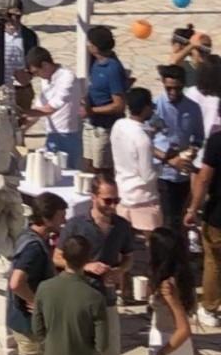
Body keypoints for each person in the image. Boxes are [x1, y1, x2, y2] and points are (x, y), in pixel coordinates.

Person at [56, 173, 148, 355]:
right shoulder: (75, 225)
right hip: (77, 299)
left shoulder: (121, 226)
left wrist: (121, 271)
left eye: (116, 200)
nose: (112, 205)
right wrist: (85, 266)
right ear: (93, 197)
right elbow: (58, 256)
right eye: (107, 200)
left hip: (106, 299)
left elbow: (129, 256)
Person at [8, 192, 70, 355]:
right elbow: (16, 283)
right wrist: (34, 301)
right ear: (48, 217)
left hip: (23, 321)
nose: (64, 220)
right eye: (61, 215)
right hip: (28, 324)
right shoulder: (34, 247)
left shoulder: (28, 236)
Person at [184, 54, 221, 327]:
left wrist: (192, 209)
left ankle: (209, 307)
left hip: (218, 212)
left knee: (213, 260)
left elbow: (205, 179)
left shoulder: (217, 142)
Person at [154, 64, 205, 230]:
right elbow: (147, 142)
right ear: (163, 83)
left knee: (180, 219)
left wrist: (193, 151)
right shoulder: (156, 106)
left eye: (177, 88)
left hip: (183, 174)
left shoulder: (193, 108)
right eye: (169, 88)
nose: (173, 92)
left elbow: (199, 136)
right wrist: (169, 160)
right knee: (167, 221)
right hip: (161, 174)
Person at [111, 87, 164, 232]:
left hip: (123, 195)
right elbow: (147, 176)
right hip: (143, 200)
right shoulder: (142, 140)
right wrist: (162, 168)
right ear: (146, 108)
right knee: (150, 248)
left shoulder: (118, 126)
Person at [82, 26, 128, 173]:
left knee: (101, 169)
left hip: (105, 128)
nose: (87, 45)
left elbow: (119, 105)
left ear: (96, 46)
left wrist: (91, 110)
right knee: (88, 164)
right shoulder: (94, 61)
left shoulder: (112, 68)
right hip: (91, 124)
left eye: (90, 43)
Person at [25, 47, 81, 169]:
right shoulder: (45, 81)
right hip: (51, 134)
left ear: (45, 65)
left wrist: (22, 111)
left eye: (36, 72)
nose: (36, 76)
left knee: (68, 174)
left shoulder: (67, 77)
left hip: (68, 135)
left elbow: (50, 109)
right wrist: (21, 127)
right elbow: (39, 107)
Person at [7, 0, 38, 114]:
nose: (14, 19)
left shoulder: (29, 36)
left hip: (22, 89)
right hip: (2, 89)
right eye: (10, 15)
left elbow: (34, 59)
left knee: (21, 125)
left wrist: (29, 75)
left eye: (17, 15)